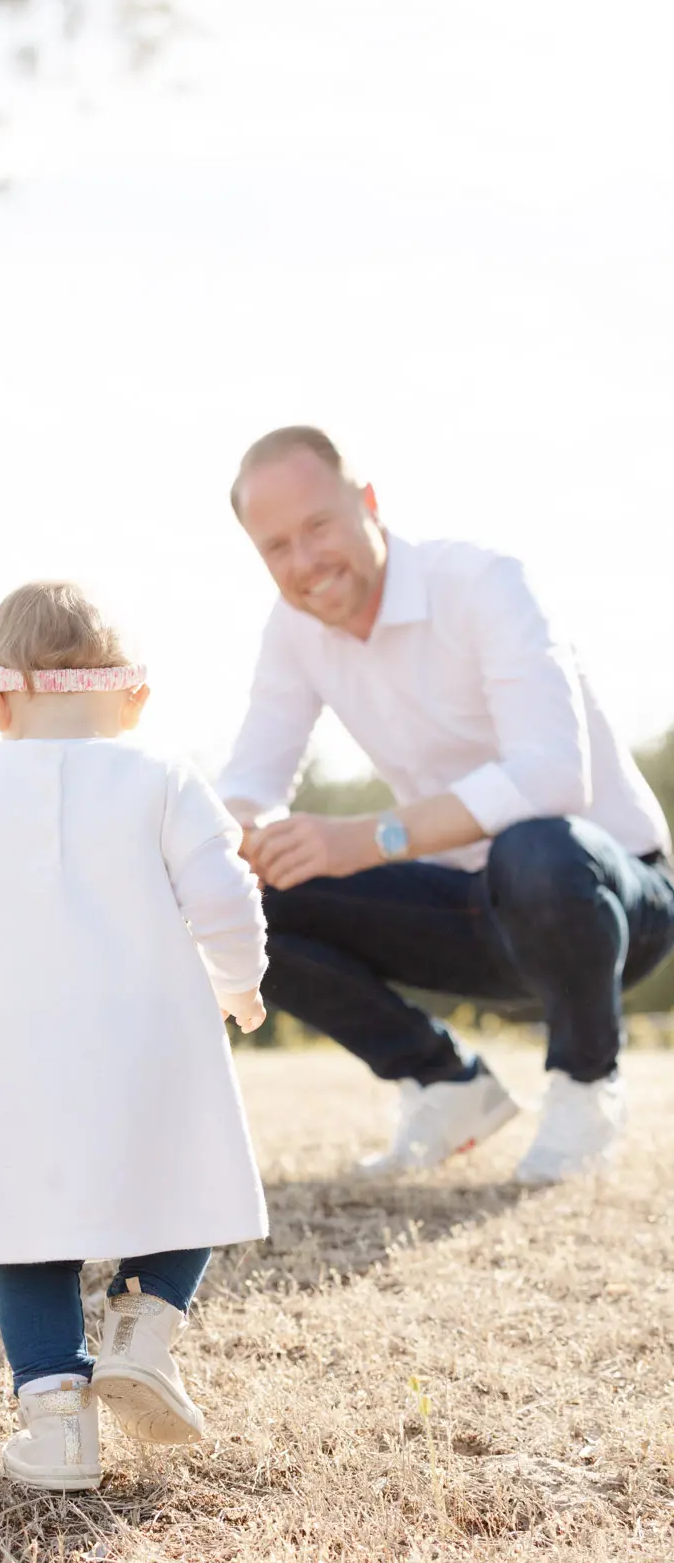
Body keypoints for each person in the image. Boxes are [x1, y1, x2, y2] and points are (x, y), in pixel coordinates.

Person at [0, 580, 269, 1490]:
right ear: (134, 698)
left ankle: (57, 1429)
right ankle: (142, 1330)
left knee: (24, 1228)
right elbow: (225, 894)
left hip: (8, 1051)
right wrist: (238, 983)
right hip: (149, 1032)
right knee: (186, 1171)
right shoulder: (163, 776)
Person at [218, 426, 674, 1185]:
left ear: (367, 503)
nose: (302, 563)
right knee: (239, 894)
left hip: (609, 899)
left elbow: (551, 775)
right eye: (274, 547)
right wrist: (231, 839)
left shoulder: (484, 583)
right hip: (466, 908)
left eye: (317, 527)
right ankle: (442, 1082)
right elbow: (250, 779)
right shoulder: (292, 631)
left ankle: (586, 1085)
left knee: (532, 845)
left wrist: (368, 837)